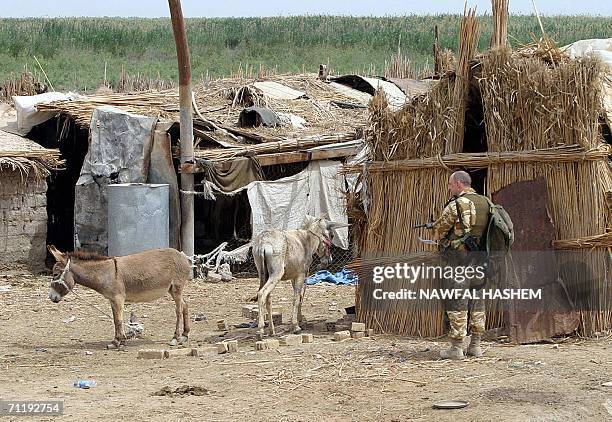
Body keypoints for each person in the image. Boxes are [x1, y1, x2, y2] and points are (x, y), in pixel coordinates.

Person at [427, 170, 490, 359]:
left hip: (459, 263)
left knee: (458, 302)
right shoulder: (487, 203)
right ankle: (476, 346)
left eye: (450, 185)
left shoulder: (456, 205)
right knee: (478, 302)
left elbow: (439, 230)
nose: (449, 188)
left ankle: (456, 348)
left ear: (459, 185)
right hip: (480, 261)